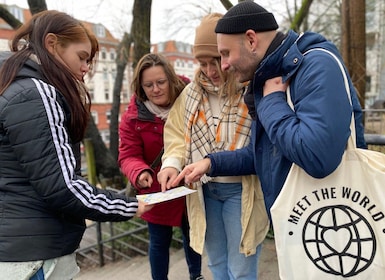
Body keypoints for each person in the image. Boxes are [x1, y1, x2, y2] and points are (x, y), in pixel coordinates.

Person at [172, 2, 367, 220]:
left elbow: (318, 157)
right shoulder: (270, 77)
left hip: (335, 219)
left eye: (226, 54)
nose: (224, 65)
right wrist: (211, 163)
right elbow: (267, 154)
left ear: (251, 40)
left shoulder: (315, 65)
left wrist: (271, 101)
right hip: (302, 218)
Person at [0, 10, 151, 280]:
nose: (86, 68)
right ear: (51, 44)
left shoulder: (12, 86)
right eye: (82, 57)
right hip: (36, 256)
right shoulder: (38, 93)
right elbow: (62, 186)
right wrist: (127, 206)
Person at [157, 13, 269, 280]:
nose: (210, 70)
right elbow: (175, 134)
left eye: (216, 60)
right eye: (203, 63)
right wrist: (171, 164)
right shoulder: (191, 93)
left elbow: (261, 145)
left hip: (242, 189)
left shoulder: (251, 87)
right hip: (204, 190)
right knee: (217, 264)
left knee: (241, 268)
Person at [118, 53, 203, 280]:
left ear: (171, 79)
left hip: (189, 183)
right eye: (148, 85)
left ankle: (197, 275)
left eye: (160, 82)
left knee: (192, 235)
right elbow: (128, 154)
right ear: (140, 87)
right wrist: (140, 172)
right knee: (158, 242)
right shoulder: (132, 118)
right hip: (157, 188)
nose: (155, 89)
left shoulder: (192, 98)